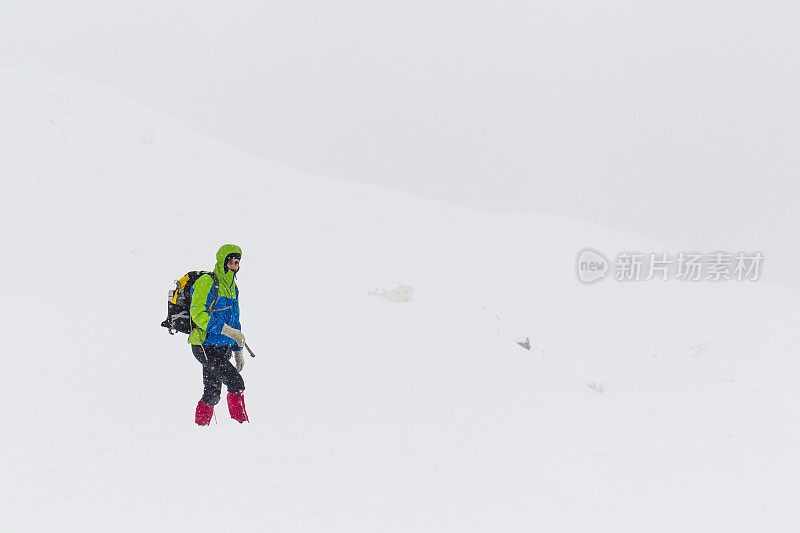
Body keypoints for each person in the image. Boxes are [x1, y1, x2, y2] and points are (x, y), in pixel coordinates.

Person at [189, 244, 249, 425]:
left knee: (212, 393)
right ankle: (242, 427)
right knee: (236, 384)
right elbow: (197, 313)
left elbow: (235, 323)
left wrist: (238, 351)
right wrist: (224, 329)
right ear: (222, 262)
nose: (233, 266)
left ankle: (199, 429)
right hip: (204, 346)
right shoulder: (207, 282)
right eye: (230, 262)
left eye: (236, 262)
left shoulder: (233, 288)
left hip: (222, 348)